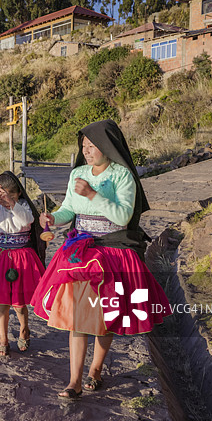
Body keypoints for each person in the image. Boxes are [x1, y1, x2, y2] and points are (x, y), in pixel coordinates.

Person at [29, 119, 172, 399]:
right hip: (81, 253)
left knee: (106, 315)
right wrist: (52, 219)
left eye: (92, 146)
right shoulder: (79, 174)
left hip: (114, 252)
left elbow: (122, 218)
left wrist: (93, 194)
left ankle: (95, 369)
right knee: (79, 317)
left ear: (107, 147)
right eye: (84, 146)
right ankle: (74, 381)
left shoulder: (122, 176)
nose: (87, 151)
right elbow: (69, 209)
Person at [0, 171, 46, 356]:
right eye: (0, 196)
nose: (4, 200)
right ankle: (3, 339)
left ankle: (24, 329)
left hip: (22, 258)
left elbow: (27, 220)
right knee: (2, 302)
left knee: (19, 304)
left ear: (18, 193)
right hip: (0, 258)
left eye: (9, 196)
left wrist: (12, 204)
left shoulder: (23, 207)